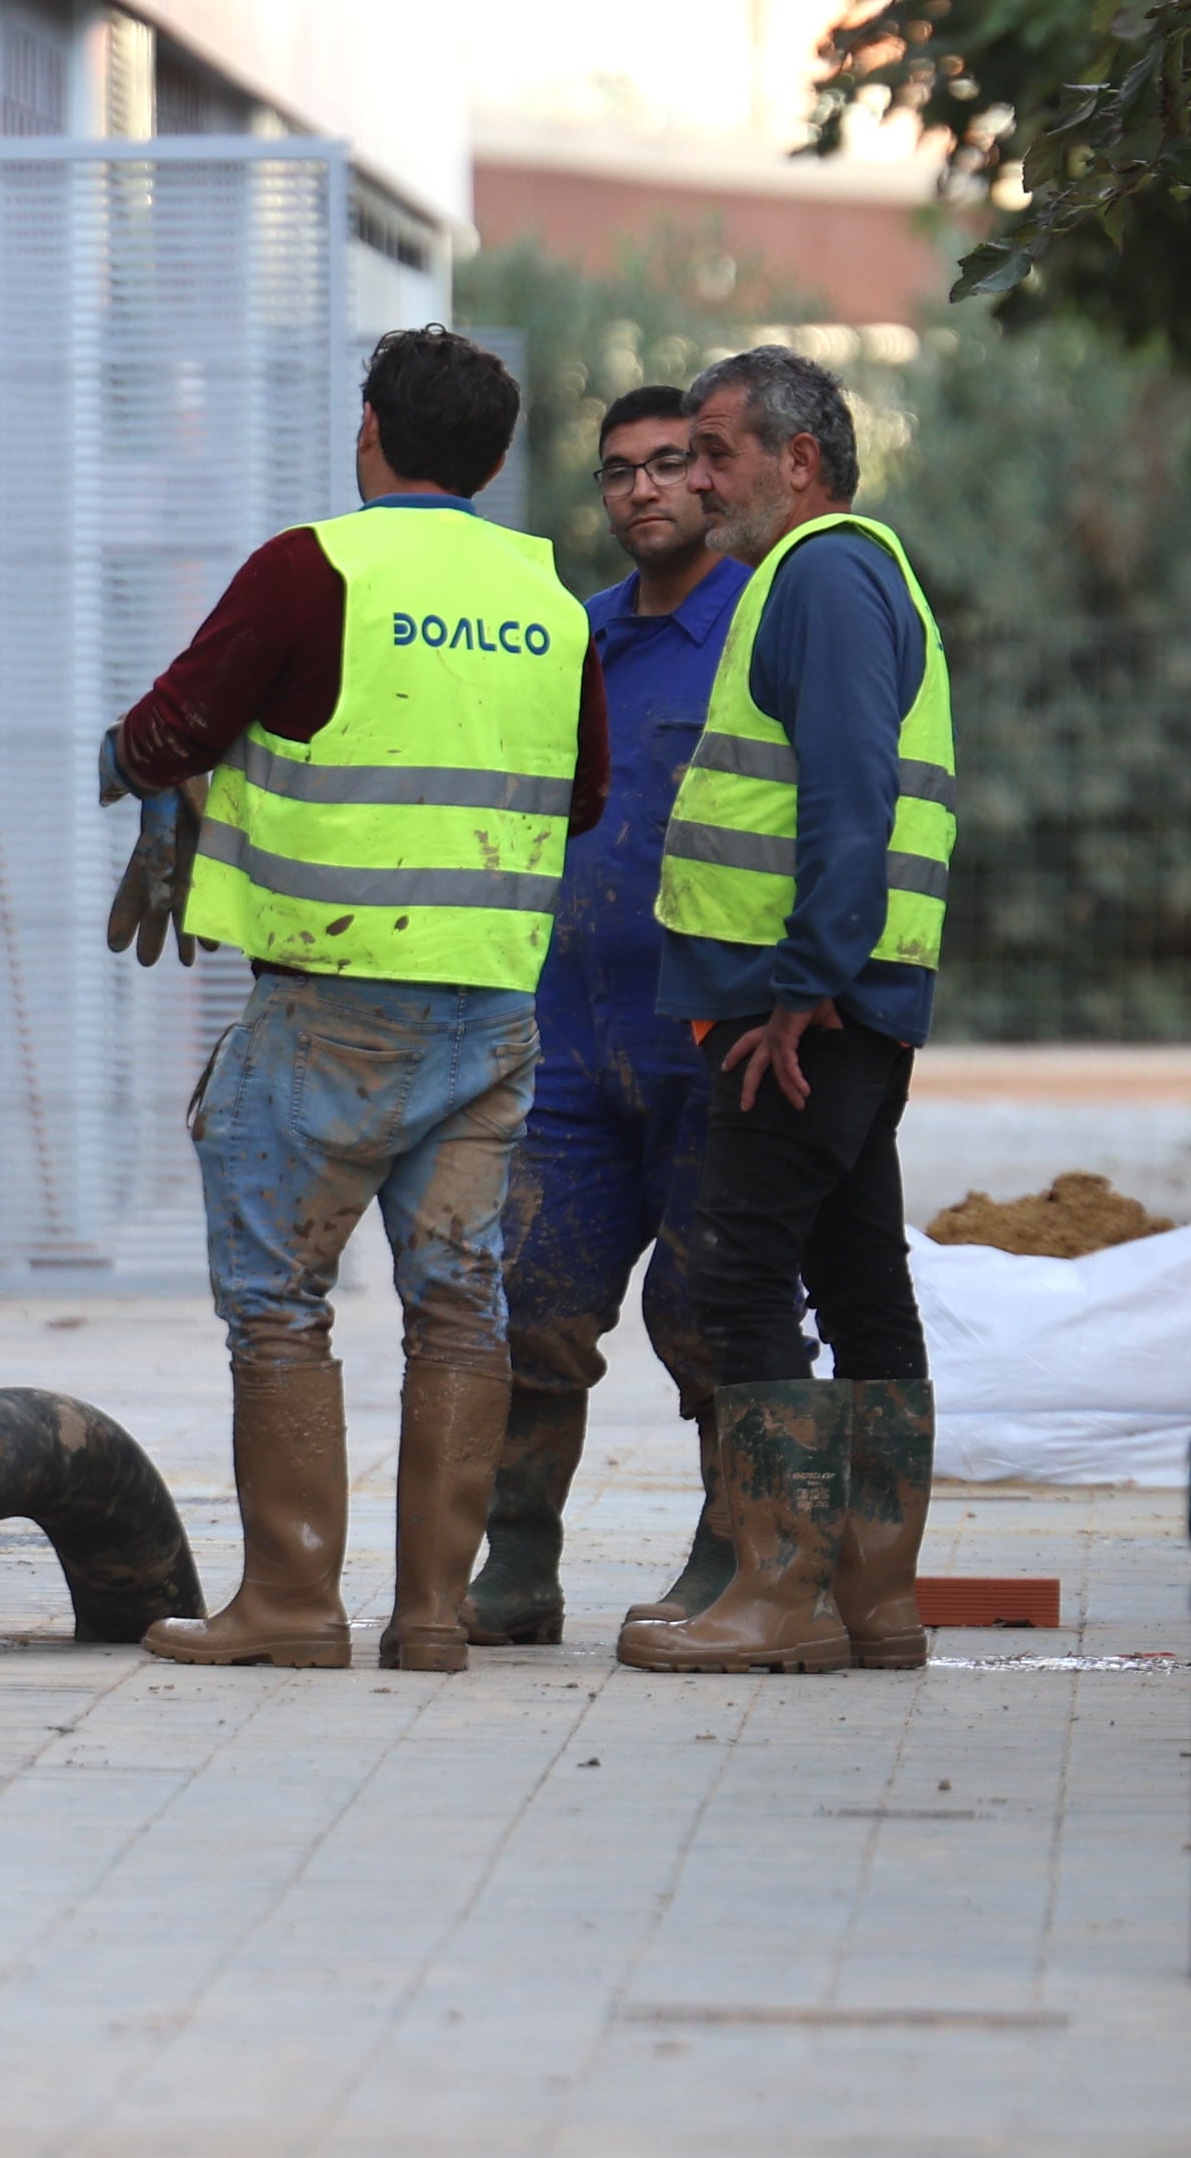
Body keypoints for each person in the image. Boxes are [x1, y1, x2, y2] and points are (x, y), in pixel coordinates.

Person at [100, 327, 605, 1673]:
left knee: (279, 1303)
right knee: (460, 1304)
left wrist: (142, 772)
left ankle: (291, 1605)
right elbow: (588, 792)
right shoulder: (550, 599)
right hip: (489, 1012)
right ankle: (434, 1617)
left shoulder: (314, 566)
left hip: (330, 1005)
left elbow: (171, 726)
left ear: (368, 431)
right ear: (496, 459)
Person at [622, 346, 955, 1676]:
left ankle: (782, 1596)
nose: (695, 480)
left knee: (742, 1270)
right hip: (844, 1000)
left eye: (713, 452)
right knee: (860, 1276)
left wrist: (804, 984)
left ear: (797, 461)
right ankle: (873, 1602)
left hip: (811, 1006)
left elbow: (848, 796)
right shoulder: (833, 578)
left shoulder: (821, 573)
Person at [460, 388, 746, 1647]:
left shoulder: (762, 629)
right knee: (533, 1301)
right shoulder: (577, 640)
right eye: (620, 471)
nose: (642, 490)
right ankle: (515, 1570)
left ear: (715, 479)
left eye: (669, 465)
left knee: (715, 1317)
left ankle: (729, 1565)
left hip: (713, 1038)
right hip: (570, 1041)